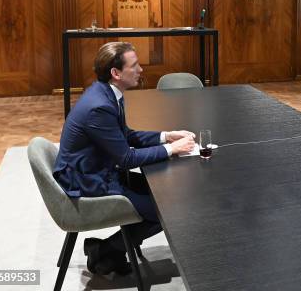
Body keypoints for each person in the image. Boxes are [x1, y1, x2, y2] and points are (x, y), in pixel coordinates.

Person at [53, 42, 196, 275]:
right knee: (169, 209)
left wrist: (166, 136)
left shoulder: (106, 92)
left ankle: (108, 252)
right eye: (135, 65)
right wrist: (173, 150)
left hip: (95, 168)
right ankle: (106, 249)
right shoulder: (99, 106)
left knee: (167, 194)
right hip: (87, 180)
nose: (141, 69)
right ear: (116, 73)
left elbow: (126, 135)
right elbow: (127, 158)